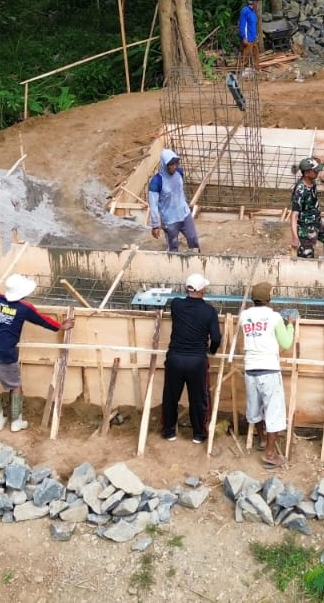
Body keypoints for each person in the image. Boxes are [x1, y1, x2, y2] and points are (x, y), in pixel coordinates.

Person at [0, 274, 73, 433]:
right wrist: (61, 327)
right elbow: (42, 320)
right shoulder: (24, 308)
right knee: (16, 386)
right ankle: (16, 422)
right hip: (5, 354)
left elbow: (0, 294)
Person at [239, 282, 296, 468]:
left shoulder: (244, 316)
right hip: (269, 370)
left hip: (250, 370)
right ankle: (270, 454)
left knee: (254, 408)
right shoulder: (274, 317)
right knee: (274, 412)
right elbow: (286, 343)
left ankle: (263, 440)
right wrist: (291, 325)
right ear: (269, 299)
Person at [161, 273, 222, 443]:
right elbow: (216, 337)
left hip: (175, 358)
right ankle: (198, 434)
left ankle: (169, 432)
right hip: (197, 361)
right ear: (202, 289)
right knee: (198, 398)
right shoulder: (209, 311)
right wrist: (212, 350)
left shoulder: (176, 305)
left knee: (170, 396)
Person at [148, 149, 200, 253]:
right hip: (170, 220)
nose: (174, 167)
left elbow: (179, 190)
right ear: (164, 164)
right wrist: (155, 225)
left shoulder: (179, 172)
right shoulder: (157, 181)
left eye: (176, 164)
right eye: (171, 165)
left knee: (194, 240)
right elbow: (153, 205)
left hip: (184, 214)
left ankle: (196, 262)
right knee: (173, 247)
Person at [290, 156, 324, 259]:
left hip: (316, 223)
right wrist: (294, 236)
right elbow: (294, 215)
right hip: (304, 228)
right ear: (306, 173)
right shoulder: (300, 191)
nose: (318, 173)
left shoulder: (312, 182)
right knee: (307, 255)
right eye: (315, 171)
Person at [237, 0, 260, 73]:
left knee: (255, 55)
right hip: (247, 39)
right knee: (245, 56)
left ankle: (256, 70)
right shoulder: (245, 11)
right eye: (256, 2)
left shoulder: (253, 12)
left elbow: (253, 25)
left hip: (253, 38)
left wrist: (256, 36)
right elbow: (242, 25)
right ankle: (242, 71)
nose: (257, 4)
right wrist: (244, 37)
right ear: (253, 2)